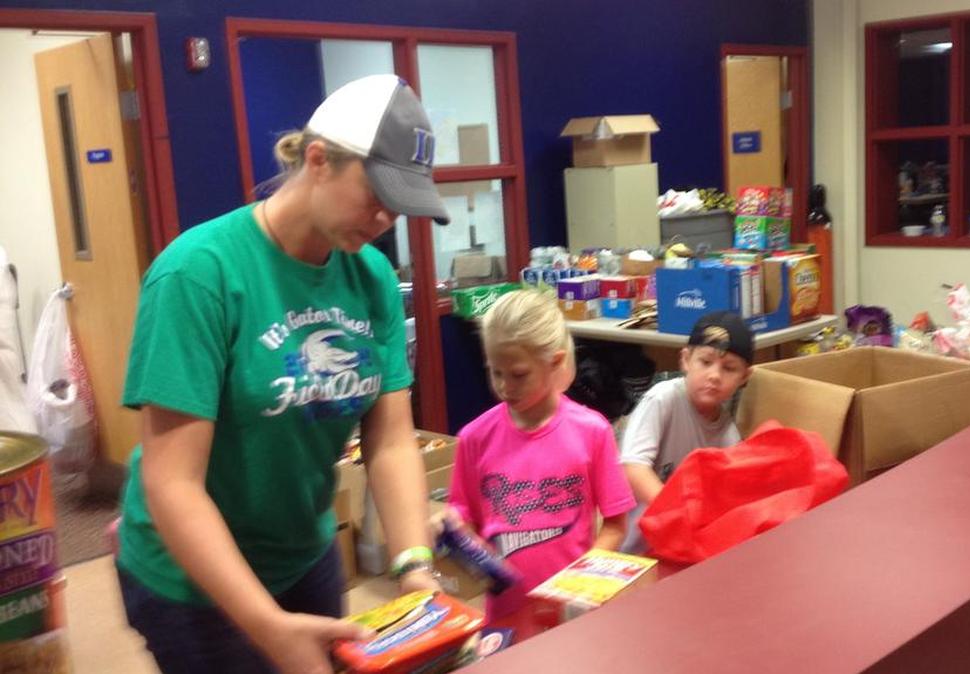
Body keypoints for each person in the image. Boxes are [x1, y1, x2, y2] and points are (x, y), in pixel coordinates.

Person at [116, 74, 447, 674]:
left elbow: (392, 439)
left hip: (304, 553)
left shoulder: (369, 277)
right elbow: (173, 483)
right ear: (318, 160)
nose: (383, 220)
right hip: (192, 578)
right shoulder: (198, 274)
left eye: (397, 207)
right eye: (374, 195)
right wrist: (266, 626)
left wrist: (413, 563)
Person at [445, 290, 636, 618]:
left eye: (518, 374)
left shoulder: (592, 431)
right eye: (496, 372)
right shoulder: (474, 438)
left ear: (556, 362)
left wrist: (577, 583)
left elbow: (616, 525)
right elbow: (464, 520)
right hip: (506, 613)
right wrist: (453, 530)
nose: (505, 386)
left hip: (573, 611)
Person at [619, 311, 754, 554]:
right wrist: (676, 511)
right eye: (705, 362)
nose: (714, 375)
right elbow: (633, 466)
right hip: (637, 550)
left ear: (745, 377)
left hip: (683, 549)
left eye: (729, 368)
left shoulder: (728, 434)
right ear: (685, 359)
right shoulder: (663, 399)